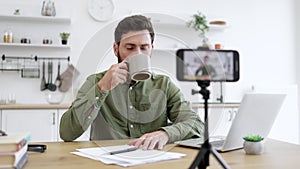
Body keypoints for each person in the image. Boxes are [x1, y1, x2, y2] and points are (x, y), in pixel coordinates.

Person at [60, 15, 204, 150]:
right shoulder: (96, 82)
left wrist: (165, 134)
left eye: (144, 47)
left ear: (151, 49)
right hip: (106, 161)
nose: (137, 54)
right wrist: (102, 88)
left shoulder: (164, 85)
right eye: (130, 48)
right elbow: (67, 133)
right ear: (116, 49)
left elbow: (197, 125)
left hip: (150, 160)